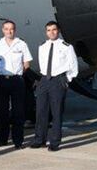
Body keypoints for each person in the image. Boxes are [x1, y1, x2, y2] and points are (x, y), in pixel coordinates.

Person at [31, 21, 78, 152]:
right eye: (49, 30)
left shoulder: (67, 47)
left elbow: (73, 66)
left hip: (58, 80)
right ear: (46, 32)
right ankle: (39, 139)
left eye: (54, 30)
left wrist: (65, 80)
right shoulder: (42, 46)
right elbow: (42, 64)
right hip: (44, 80)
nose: (51, 32)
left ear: (58, 31)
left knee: (56, 112)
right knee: (41, 111)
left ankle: (55, 142)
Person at [0, 20, 32, 149]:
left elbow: (27, 63)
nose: (9, 31)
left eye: (11, 29)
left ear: (15, 30)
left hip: (16, 80)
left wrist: (17, 74)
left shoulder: (21, 44)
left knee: (18, 112)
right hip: (2, 80)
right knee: (2, 111)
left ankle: (18, 140)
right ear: (3, 30)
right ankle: (2, 138)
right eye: (6, 29)